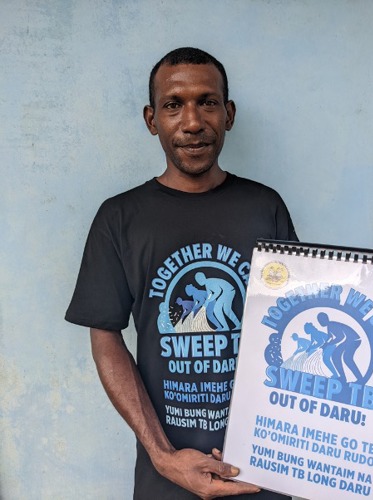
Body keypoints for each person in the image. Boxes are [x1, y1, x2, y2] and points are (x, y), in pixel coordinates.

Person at [66, 47, 297, 499]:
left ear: (228, 114)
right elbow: (105, 336)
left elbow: (289, 323)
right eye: (174, 105)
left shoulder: (265, 207)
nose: (192, 122)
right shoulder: (119, 218)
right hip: (167, 478)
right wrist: (162, 455)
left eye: (207, 102)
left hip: (265, 472)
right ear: (152, 119)